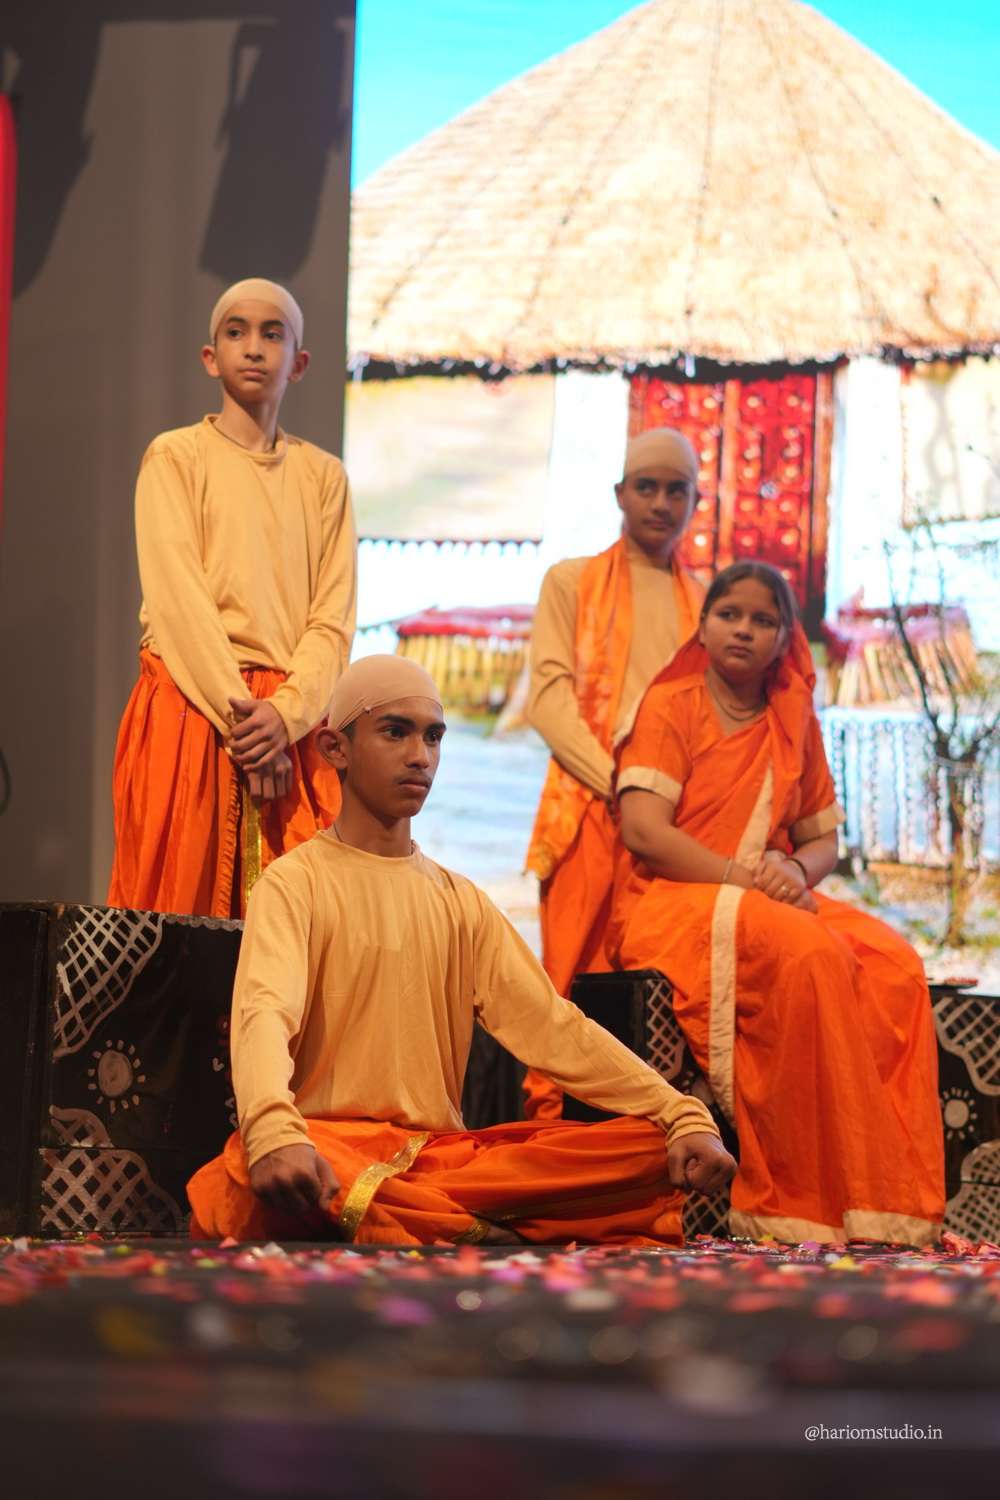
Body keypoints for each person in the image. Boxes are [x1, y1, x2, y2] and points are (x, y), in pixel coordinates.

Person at [187, 655, 735, 1247]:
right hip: (330, 1152)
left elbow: (553, 1027)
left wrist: (678, 1112)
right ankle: (454, 1224)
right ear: (334, 748)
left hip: (441, 1163)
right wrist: (274, 1132)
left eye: (433, 737)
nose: (420, 756)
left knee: (644, 1146)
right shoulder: (295, 883)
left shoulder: (460, 900)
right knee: (247, 1164)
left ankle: (431, 1220)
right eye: (395, 732)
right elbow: (264, 1015)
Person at [609, 561, 945, 1245]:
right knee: (809, 952)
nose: (744, 629)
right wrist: (744, 877)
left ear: (785, 637)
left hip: (762, 894)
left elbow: (823, 841)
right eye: (729, 614)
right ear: (704, 624)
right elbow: (644, 831)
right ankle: (797, 1198)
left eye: (763, 620)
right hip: (676, 900)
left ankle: (883, 1198)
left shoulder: (794, 716)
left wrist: (794, 868)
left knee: (896, 965)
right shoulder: (671, 704)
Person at [108, 277, 356, 919]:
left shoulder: (323, 477)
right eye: (235, 332)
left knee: (296, 923)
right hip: (195, 706)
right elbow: (178, 603)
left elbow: (332, 620)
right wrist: (246, 724)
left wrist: (287, 717)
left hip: (290, 723)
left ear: (298, 362)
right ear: (210, 357)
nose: (253, 347)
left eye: (272, 334)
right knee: (177, 912)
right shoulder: (175, 457)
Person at [522, 427, 704, 1118]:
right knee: (567, 983)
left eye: (676, 490)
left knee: (654, 985)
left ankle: (642, 1142)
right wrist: (619, 785)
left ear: (695, 502)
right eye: (646, 487)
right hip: (589, 808)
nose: (660, 503)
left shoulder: (706, 602)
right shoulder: (571, 581)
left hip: (670, 827)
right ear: (620, 494)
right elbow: (548, 701)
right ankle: (549, 1136)